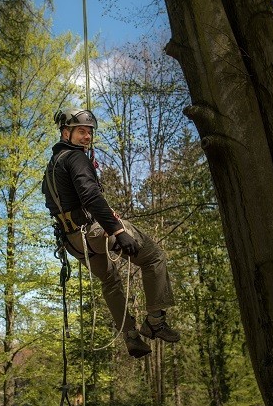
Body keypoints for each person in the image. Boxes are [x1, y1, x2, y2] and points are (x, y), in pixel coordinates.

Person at [43, 108, 180, 358]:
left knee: (110, 281)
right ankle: (155, 321)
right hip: (95, 232)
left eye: (89, 132)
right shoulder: (76, 158)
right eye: (81, 131)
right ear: (65, 133)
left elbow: (55, 205)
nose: (87, 137)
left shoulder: (52, 167)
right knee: (154, 257)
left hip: (74, 242)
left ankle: (131, 336)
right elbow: (90, 196)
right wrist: (117, 230)